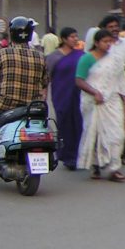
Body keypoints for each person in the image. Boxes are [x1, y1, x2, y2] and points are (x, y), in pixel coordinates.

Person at [0, 16, 50, 158]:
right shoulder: (40, 56)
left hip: (4, 104)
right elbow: (45, 82)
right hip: (32, 105)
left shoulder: (2, 54)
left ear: (11, 34)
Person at [76, 28, 125, 182]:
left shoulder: (114, 59)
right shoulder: (87, 59)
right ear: (96, 43)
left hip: (112, 100)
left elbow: (121, 81)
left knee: (117, 134)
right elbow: (79, 80)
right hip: (93, 102)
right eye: (105, 41)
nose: (109, 44)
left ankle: (114, 168)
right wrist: (95, 92)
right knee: (95, 134)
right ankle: (96, 165)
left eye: (111, 41)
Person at [46, 27, 84, 170]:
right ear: (63, 39)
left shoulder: (80, 55)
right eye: (72, 37)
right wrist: (43, 94)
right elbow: (46, 77)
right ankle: (67, 156)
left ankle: (78, 155)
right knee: (64, 124)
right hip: (61, 95)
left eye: (76, 36)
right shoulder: (53, 57)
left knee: (79, 124)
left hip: (79, 95)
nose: (75, 39)